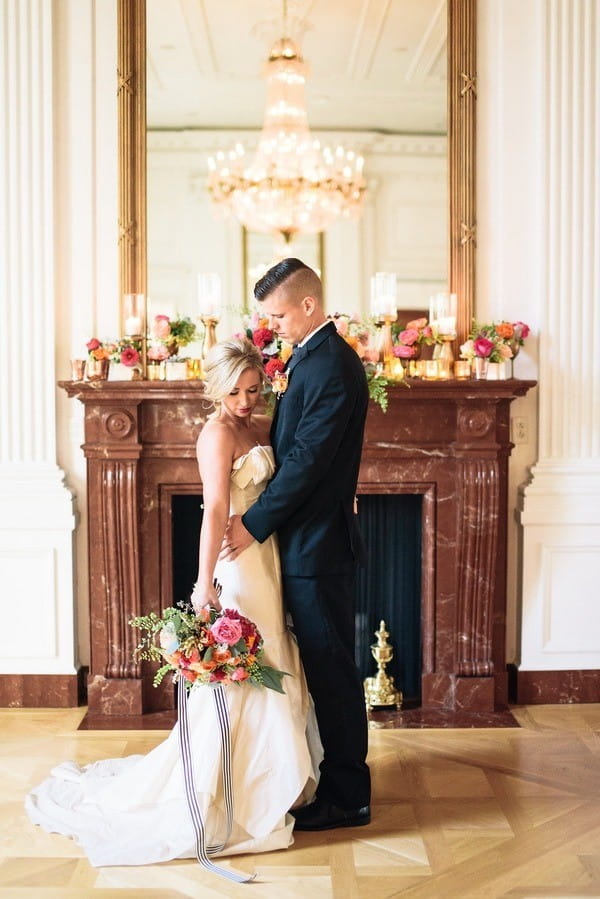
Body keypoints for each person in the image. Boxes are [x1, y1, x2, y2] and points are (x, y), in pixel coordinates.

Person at [25, 337, 321, 867]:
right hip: (237, 563)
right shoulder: (216, 434)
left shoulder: (260, 424)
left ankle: (274, 784)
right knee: (245, 670)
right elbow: (213, 513)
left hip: (269, 553)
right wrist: (204, 581)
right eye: (235, 392)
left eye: (253, 390)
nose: (246, 401)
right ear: (216, 390)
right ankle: (226, 792)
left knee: (276, 657)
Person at [221, 258, 371, 831]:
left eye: (278, 314)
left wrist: (253, 523)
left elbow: (307, 462)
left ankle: (348, 797)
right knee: (322, 668)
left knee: (333, 672)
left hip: (319, 548)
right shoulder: (311, 358)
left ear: (309, 305)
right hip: (305, 543)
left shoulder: (331, 363)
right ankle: (326, 783)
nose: (273, 325)